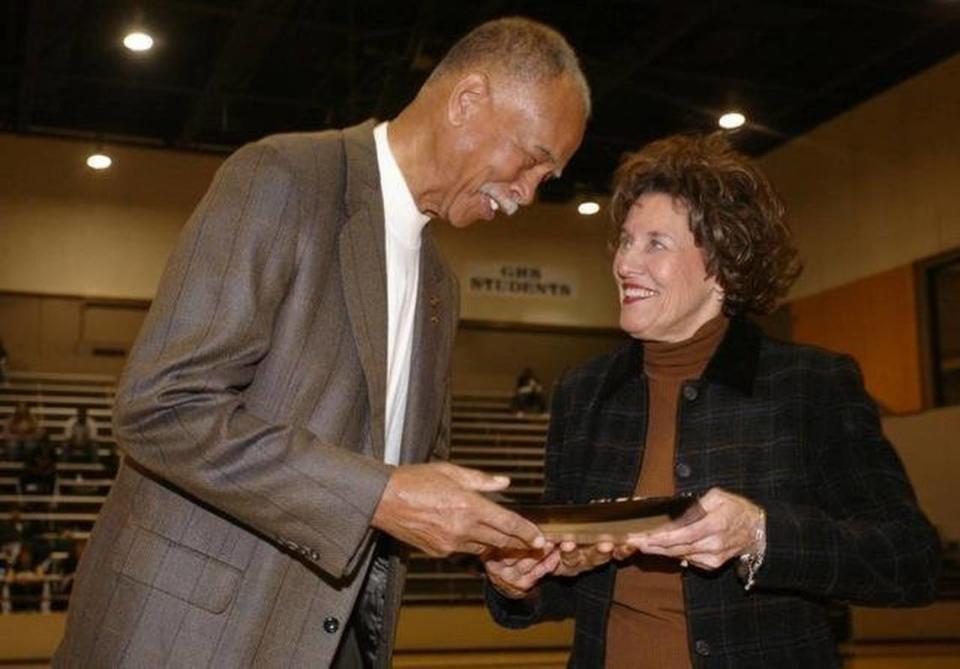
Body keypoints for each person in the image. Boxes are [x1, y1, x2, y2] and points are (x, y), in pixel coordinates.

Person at [55, 16, 589, 668]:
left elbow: (406, 480)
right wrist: (382, 495)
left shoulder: (442, 288)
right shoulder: (282, 175)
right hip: (183, 640)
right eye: (532, 160)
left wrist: (494, 543)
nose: (528, 193)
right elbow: (160, 405)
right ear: (468, 100)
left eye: (547, 179)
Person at [483, 133, 941, 667]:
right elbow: (574, 584)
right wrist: (525, 579)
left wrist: (759, 534)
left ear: (723, 262)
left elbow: (911, 561)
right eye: (625, 240)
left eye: (655, 243)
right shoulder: (583, 394)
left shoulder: (810, 385)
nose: (625, 263)